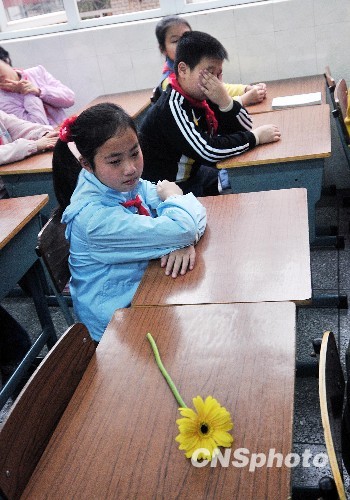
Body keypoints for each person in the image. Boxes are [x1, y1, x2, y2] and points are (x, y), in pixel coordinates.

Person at [52, 103, 207, 342]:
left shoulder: (115, 183)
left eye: (135, 153)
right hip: (115, 327)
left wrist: (178, 238)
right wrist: (176, 208)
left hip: (144, 287)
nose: (131, 169)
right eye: (115, 161)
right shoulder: (95, 221)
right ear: (86, 164)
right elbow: (182, 219)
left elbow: (183, 223)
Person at [140, 30, 281, 197]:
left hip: (194, 175)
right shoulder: (172, 106)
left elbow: (245, 127)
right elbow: (209, 151)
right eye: (209, 72)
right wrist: (255, 138)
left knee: (247, 185)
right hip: (169, 191)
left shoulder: (203, 95)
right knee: (237, 192)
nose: (216, 81)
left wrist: (226, 103)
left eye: (219, 73)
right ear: (183, 70)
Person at [154, 15, 267, 107]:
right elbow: (209, 104)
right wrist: (243, 99)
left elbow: (216, 87)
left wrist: (245, 89)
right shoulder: (169, 84)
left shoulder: (195, 66)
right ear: (163, 49)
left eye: (187, 37)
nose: (183, 44)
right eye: (175, 40)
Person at [0, 60, 75, 127]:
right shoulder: (2, 102)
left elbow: (70, 99)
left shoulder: (37, 72)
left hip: (68, 128)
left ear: (6, 61)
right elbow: (39, 125)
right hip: (50, 140)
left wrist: (40, 91)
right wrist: (28, 92)